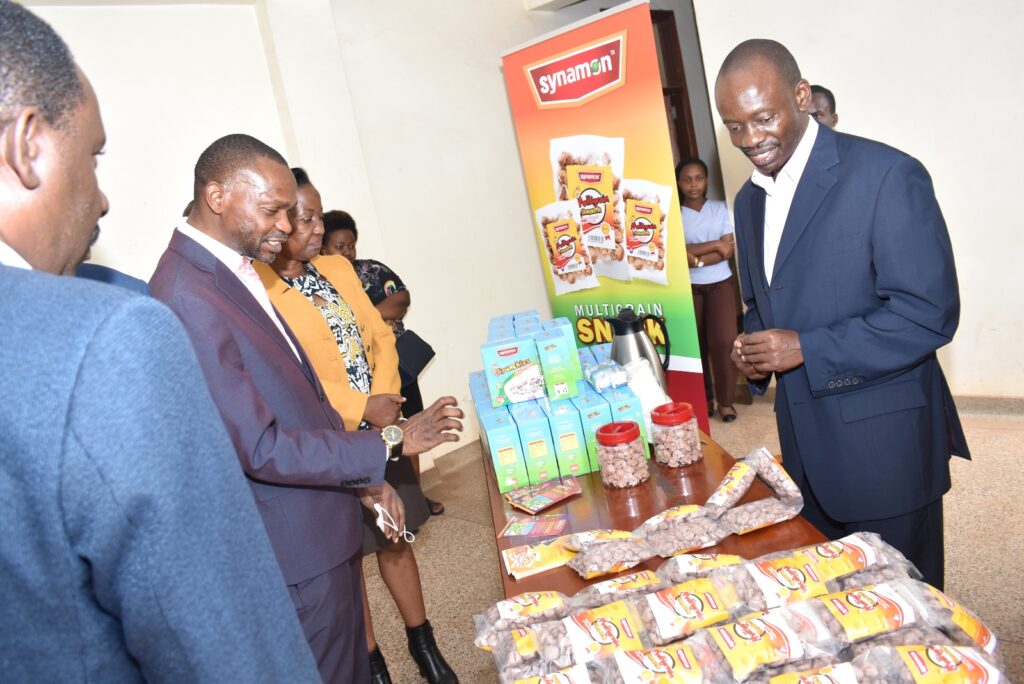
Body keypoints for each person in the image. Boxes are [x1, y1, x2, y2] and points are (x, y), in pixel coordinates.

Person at [0, 3, 320, 680]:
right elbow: (216, 641)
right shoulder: (107, 337)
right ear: (27, 145)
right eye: (92, 155)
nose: (104, 199)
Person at [149, 133, 463, 683]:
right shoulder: (186, 294)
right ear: (217, 195)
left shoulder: (231, 271)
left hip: (320, 518)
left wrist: (365, 481)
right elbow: (261, 444)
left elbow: (303, 396)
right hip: (293, 543)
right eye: (272, 210)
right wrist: (388, 443)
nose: (286, 226)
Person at [715, 39, 968, 588]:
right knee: (837, 617)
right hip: (804, 453)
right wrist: (754, 349)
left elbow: (928, 314)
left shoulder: (885, 175)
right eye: (734, 126)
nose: (750, 139)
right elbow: (764, 302)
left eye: (762, 117)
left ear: (801, 95)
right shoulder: (749, 201)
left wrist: (805, 347)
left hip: (886, 452)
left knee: (909, 618)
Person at [256, 168, 457, 684]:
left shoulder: (339, 271)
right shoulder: (261, 291)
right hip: (328, 442)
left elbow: (381, 336)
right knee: (348, 558)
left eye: (319, 214)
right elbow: (294, 380)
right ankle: (373, 664)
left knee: (396, 536)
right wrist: (360, 409)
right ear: (279, 222)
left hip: (384, 430)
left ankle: (425, 647)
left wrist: (385, 399)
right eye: (305, 218)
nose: (318, 227)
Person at [323, 210, 445, 517]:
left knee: (407, 430)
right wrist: (375, 318)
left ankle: (415, 496)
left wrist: (367, 317)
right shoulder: (321, 281)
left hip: (397, 368)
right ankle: (379, 501)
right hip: (359, 384)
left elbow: (400, 299)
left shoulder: (370, 271)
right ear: (324, 247)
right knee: (373, 442)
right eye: (339, 246)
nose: (347, 251)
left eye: (350, 244)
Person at [678, 157, 740, 423]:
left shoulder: (719, 209)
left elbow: (727, 250)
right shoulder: (673, 215)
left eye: (699, 178)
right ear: (679, 183)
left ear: (707, 180)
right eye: (687, 179)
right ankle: (705, 400)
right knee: (696, 345)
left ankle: (726, 403)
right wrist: (713, 245)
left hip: (720, 284)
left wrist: (696, 257)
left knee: (724, 343)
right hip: (688, 287)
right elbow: (677, 254)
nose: (694, 184)